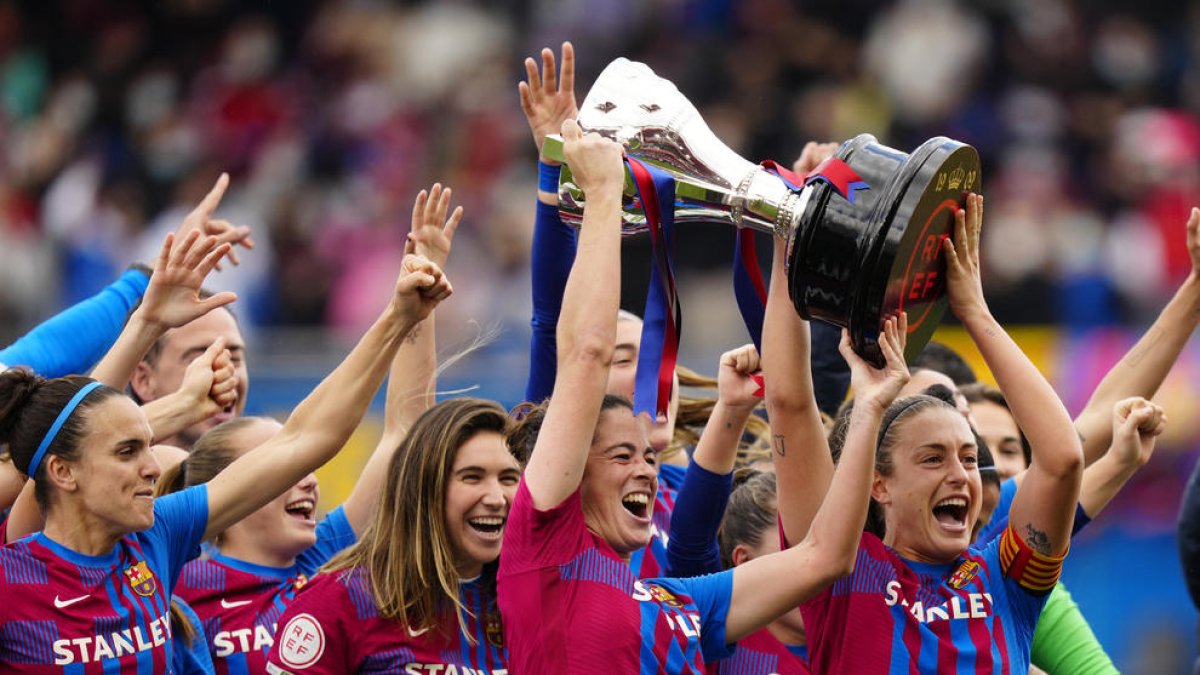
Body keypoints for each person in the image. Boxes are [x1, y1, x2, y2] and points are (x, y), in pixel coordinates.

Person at [496, 119, 908, 673]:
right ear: (566, 474)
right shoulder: (543, 546)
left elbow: (825, 556)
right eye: (622, 455)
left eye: (646, 455)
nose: (647, 469)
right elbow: (583, 355)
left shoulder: (680, 604)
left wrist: (794, 226)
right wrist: (599, 197)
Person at [0, 226, 449, 672]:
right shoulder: (12, 576)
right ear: (61, 473)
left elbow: (306, 439)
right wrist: (144, 321)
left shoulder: (157, 537)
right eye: (127, 452)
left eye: (146, 446)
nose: (153, 466)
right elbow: (71, 424)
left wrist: (395, 318)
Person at [771, 193, 1083, 671]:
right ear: (879, 484)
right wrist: (788, 238)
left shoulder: (1004, 580)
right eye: (933, 458)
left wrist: (974, 311)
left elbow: (1062, 459)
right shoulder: (837, 571)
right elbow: (791, 407)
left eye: (966, 456)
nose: (961, 474)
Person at [171, 184, 460, 674]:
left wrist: (425, 283)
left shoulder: (325, 560)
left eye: (304, 467)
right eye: (286, 469)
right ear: (233, 490)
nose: (308, 477)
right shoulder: (179, 584)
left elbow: (408, 437)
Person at [264, 398, 519, 674]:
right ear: (423, 489)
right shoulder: (341, 600)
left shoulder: (527, 600)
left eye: (508, 478)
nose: (496, 498)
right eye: (472, 477)